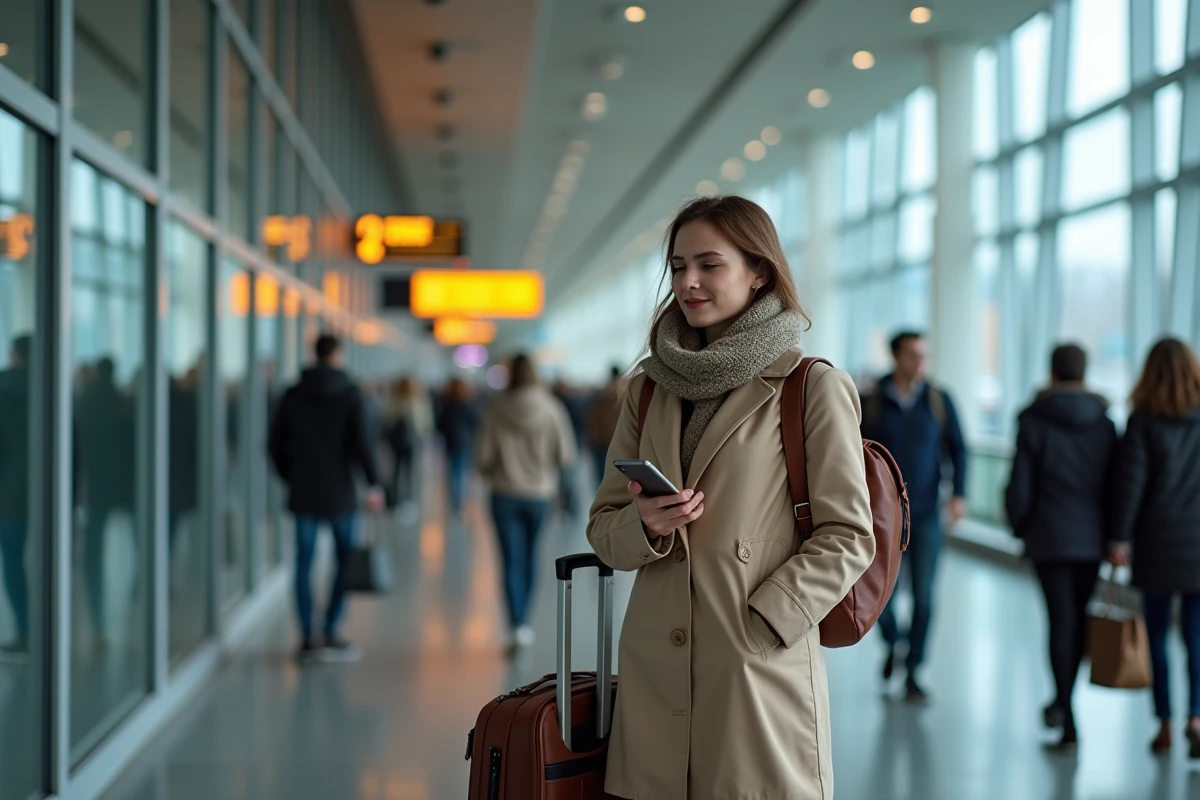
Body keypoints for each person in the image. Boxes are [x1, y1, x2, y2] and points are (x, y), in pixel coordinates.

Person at [587, 196, 875, 800]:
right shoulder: (647, 389)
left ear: (759, 270)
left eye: (710, 265)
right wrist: (643, 524)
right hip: (656, 668)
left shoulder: (811, 386)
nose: (688, 282)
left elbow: (850, 535)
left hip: (756, 665)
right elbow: (604, 526)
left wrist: (769, 620)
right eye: (678, 266)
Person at [1004, 343, 1116, 750]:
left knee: (1060, 621)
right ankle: (1066, 706)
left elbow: (1020, 484)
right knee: (1080, 620)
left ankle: (1065, 712)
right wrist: (1115, 535)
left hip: (1049, 537)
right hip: (1092, 539)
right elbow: (1115, 484)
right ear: (1084, 373)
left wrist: (1021, 526)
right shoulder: (1104, 423)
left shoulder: (1033, 419)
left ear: (1052, 373)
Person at [861, 330, 967, 702]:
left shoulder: (938, 400)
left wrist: (959, 495)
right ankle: (895, 642)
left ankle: (914, 670)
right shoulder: (870, 402)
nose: (920, 363)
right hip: (881, 516)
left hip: (925, 513)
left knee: (924, 596)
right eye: (912, 355)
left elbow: (958, 448)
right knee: (881, 593)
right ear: (895, 357)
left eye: (924, 355)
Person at [269, 334, 384, 664]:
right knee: (343, 561)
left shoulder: (292, 395)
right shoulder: (350, 395)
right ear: (337, 355)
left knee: (303, 563)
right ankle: (331, 631)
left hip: (303, 490)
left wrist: (289, 475)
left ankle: (307, 637)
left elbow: (274, 444)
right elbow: (363, 444)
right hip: (340, 493)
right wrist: (373, 485)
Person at [1110, 337, 1200, 757]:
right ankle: (1197, 718)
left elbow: (1131, 484)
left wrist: (1120, 538)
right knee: (1197, 637)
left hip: (1158, 541)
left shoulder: (1144, 419)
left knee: (1158, 634)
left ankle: (1164, 723)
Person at [476, 354, 575, 653]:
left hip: (504, 493)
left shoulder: (497, 408)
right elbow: (565, 456)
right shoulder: (552, 408)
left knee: (509, 560)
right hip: (540, 495)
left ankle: (515, 624)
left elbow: (483, 458)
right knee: (531, 556)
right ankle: (525, 624)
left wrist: (500, 468)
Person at [75, 356, 137, 643]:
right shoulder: (125, 404)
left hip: (94, 489)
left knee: (93, 556)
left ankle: (97, 621)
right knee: (140, 543)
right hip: (124, 488)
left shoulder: (82, 403)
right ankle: (140, 589)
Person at [0, 335, 32, 660]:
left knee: (13, 563)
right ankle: (50, 629)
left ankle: (26, 630)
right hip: (48, 493)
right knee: (50, 565)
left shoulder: (4, 387)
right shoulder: (53, 386)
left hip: (9, 493)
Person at [384, 376, 433, 523]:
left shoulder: (394, 401)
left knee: (396, 471)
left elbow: (387, 421)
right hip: (412, 443)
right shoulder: (418, 401)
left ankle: (394, 500)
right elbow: (425, 424)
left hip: (397, 443)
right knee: (411, 472)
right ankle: (409, 501)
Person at [435, 378, 480, 514]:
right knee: (460, 472)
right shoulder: (467, 405)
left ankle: (454, 498)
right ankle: (458, 501)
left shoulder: (446, 405)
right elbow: (475, 424)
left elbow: (439, 426)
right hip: (464, 443)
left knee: (452, 471)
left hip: (450, 443)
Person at [586, 365, 624, 487]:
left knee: (603, 484)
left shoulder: (602, 395)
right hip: (622, 445)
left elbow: (593, 420)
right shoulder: (627, 394)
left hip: (604, 445)